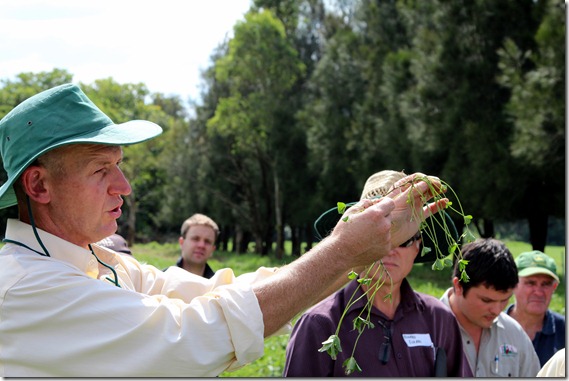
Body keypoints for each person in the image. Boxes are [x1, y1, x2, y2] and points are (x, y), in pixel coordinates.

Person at [0, 84, 449, 377]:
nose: (125, 187)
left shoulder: (102, 262)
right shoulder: (26, 286)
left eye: (120, 166)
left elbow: (218, 293)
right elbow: (195, 334)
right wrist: (343, 251)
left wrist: (356, 249)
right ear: (39, 184)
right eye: (101, 170)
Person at [283, 170, 472, 377]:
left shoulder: (439, 318)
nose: (389, 249)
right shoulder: (319, 323)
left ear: (418, 246)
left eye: (403, 238)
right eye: (379, 235)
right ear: (360, 243)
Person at [440, 238, 541, 377]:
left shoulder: (514, 334)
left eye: (504, 300)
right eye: (486, 300)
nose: (496, 310)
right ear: (458, 286)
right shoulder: (426, 329)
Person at [506, 250, 565, 367]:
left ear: (554, 287)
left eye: (545, 284)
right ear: (513, 285)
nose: (538, 292)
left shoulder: (564, 330)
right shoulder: (491, 328)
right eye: (531, 283)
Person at [171, 213, 218, 278]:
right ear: (182, 242)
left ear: (213, 249)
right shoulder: (160, 283)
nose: (201, 245)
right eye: (195, 239)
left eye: (207, 241)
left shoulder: (221, 287)